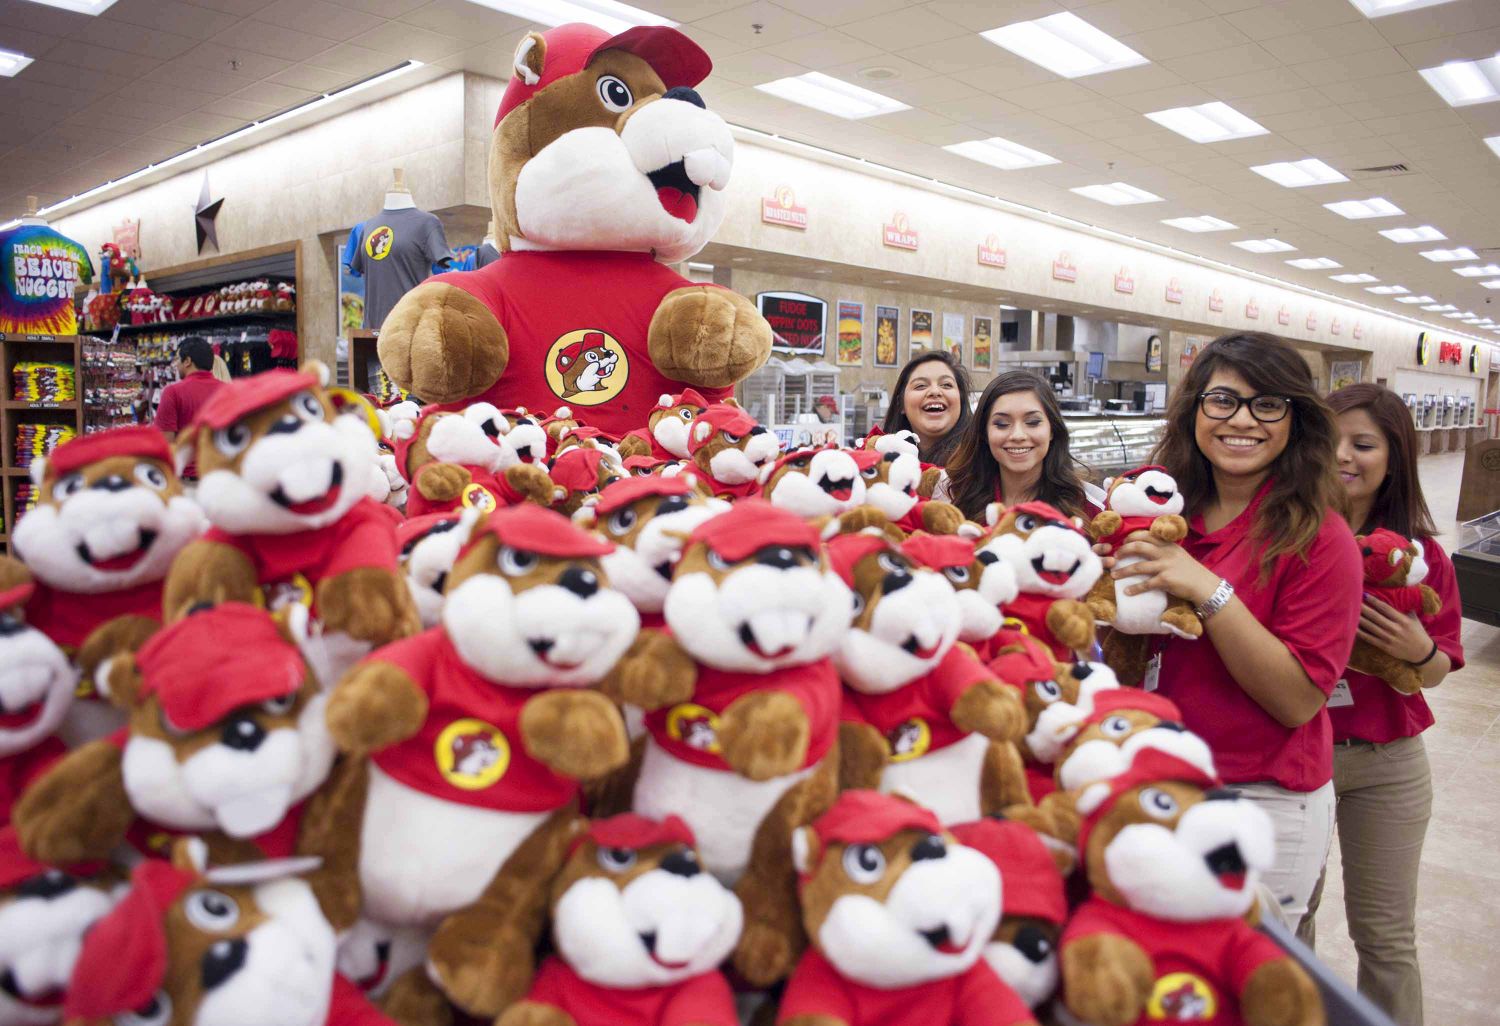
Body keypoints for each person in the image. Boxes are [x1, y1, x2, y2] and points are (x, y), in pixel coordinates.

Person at [1109, 332, 1362, 934]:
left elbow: (1298, 698)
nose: (1241, 420)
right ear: (1196, 408)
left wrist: (1207, 589)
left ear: (1295, 421)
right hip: (1158, 779)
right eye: (1223, 399)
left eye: (1267, 404)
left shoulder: (1320, 540)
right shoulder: (1166, 515)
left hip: (1261, 796)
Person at [1299, 383, 1463, 1026]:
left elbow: (1439, 669)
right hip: (1297, 753)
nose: (1344, 456)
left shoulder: (1421, 559)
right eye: (1330, 440)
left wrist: (1419, 648)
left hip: (1387, 761)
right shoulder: (1289, 540)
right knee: (1292, 919)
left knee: (1386, 936)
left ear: (1394, 458)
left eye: (1363, 444)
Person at [938, 369, 1089, 521]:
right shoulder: (956, 503)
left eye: (1032, 422)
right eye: (1002, 424)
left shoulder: (1086, 508)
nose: (1018, 435)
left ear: (1052, 430)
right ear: (984, 433)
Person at [153, 336, 226, 479]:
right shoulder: (228, 391)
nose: (176, 365)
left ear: (187, 361)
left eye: (178, 359)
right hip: (218, 476)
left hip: (186, 478)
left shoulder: (173, 392)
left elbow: (166, 443)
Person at [882, 350, 971, 464]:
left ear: (961, 399)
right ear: (901, 404)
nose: (935, 391)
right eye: (920, 386)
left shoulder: (983, 462)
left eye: (946, 385)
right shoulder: (877, 465)